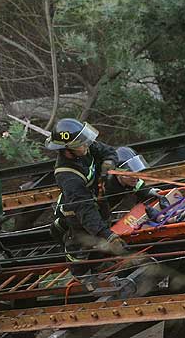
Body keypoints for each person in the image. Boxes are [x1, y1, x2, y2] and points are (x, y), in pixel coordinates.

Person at [45, 118, 122, 278]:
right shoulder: (66, 174)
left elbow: (108, 151)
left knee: (103, 229)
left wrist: (109, 162)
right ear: (67, 150)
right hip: (77, 213)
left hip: (98, 201)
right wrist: (106, 234)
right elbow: (84, 209)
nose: (86, 145)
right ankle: (82, 276)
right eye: (81, 144)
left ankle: (100, 265)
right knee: (82, 245)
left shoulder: (84, 147)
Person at [104, 146, 162, 211]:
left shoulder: (134, 181)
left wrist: (150, 191)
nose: (135, 177)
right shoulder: (106, 187)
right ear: (118, 174)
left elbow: (140, 187)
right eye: (130, 174)